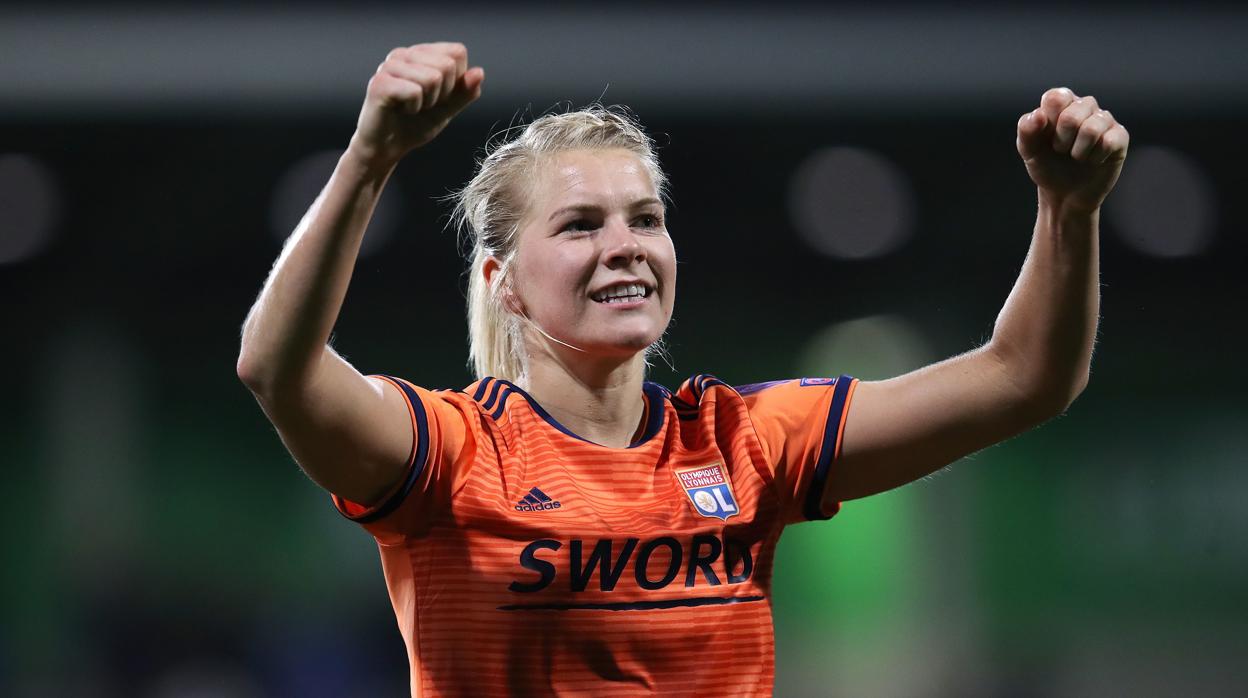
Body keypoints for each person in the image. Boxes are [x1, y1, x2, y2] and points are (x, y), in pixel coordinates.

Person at [236, 42, 1128, 696]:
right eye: (581, 225)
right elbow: (277, 367)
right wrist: (372, 159)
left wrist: (1069, 209)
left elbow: (1026, 376)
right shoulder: (452, 455)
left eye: (646, 219)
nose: (625, 246)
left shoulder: (746, 443)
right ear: (504, 283)